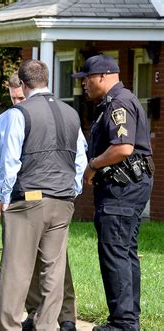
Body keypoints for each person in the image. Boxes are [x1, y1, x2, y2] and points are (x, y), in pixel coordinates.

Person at [0, 59, 87, 331]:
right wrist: (72, 190)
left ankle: (7, 326)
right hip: (63, 198)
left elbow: (10, 161)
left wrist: (4, 197)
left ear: (21, 83)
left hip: (29, 198)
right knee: (53, 270)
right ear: (47, 79)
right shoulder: (71, 113)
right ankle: (46, 326)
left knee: (16, 268)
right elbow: (81, 158)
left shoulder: (19, 114)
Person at [72, 54, 153, 331]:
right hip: (127, 186)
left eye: (86, 79)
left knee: (115, 252)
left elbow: (123, 148)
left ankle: (122, 323)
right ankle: (128, 320)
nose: (84, 85)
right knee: (125, 252)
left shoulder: (119, 103)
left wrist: (92, 165)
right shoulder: (117, 101)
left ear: (103, 76)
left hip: (121, 188)